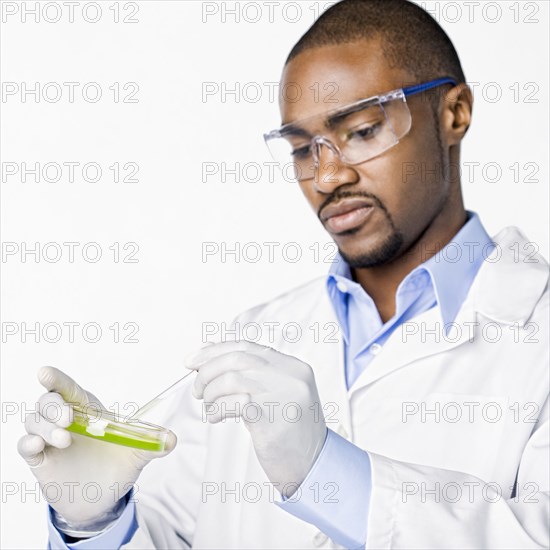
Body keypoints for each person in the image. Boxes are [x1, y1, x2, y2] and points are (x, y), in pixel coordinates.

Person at [19, 0, 549, 548]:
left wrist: (324, 472)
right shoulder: (255, 343)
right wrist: (96, 524)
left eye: (363, 131)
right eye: (301, 149)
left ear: (453, 113)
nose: (326, 176)